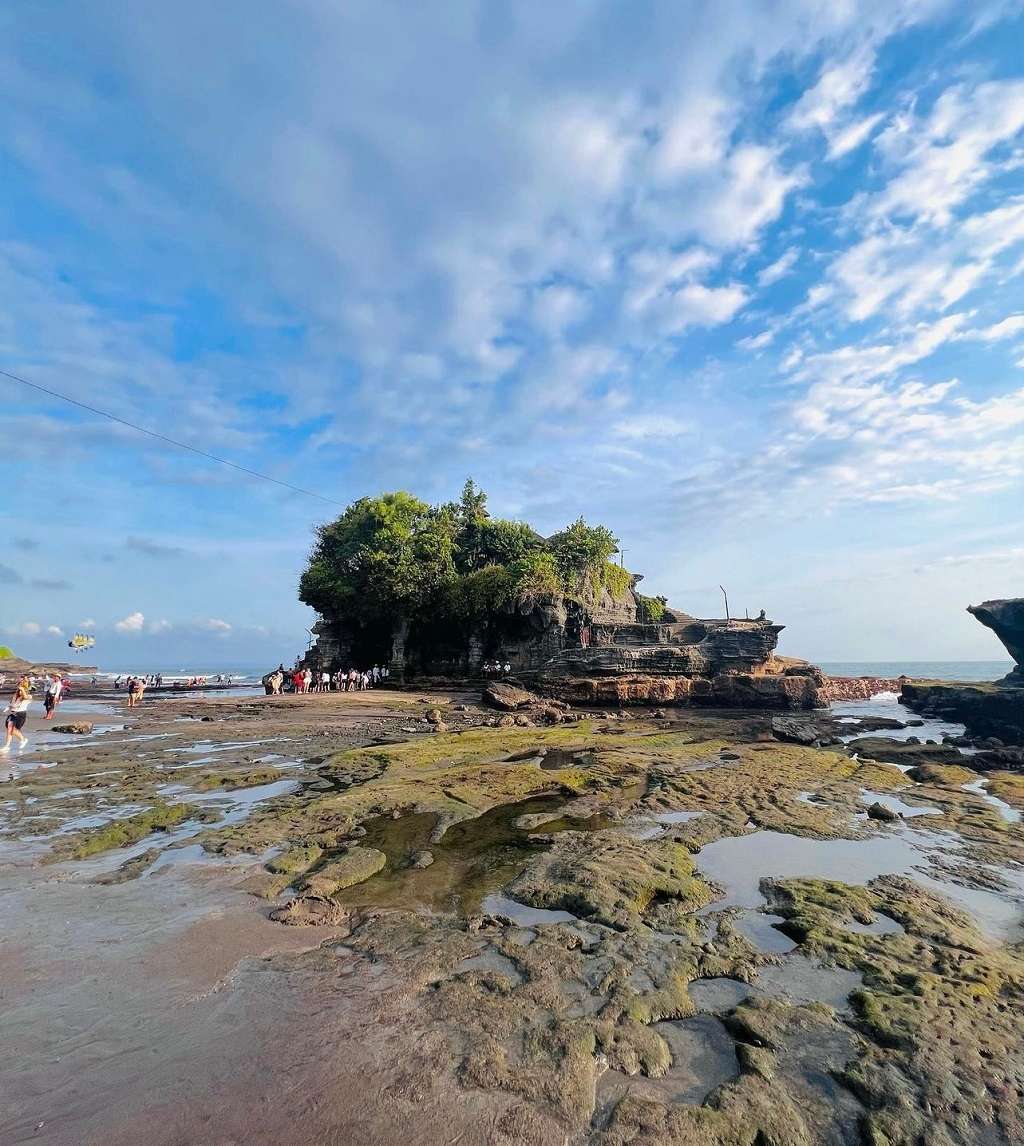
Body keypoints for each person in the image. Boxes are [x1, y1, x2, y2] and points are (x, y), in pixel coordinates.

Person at [2, 677, 32, 754]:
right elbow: (12, 704)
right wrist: (8, 707)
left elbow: (25, 696)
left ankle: (23, 739)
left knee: (14, 730)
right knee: (9, 730)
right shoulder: (16, 696)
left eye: (21, 691)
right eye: (19, 690)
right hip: (12, 714)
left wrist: (22, 689)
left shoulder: (28, 696)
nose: (19, 692)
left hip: (20, 714)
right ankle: (7, 746)